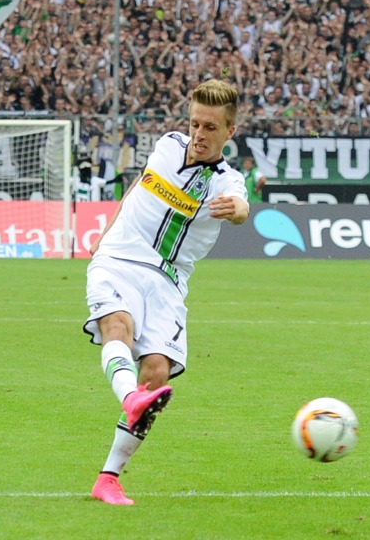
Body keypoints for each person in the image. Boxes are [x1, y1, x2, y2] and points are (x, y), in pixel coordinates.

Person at [84, 79, 250, 505]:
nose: (199, 134)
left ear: (230, 131)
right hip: (120, 256)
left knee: (156, 372)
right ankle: (130, 398)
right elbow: (140, 185)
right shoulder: (167, 145)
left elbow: (240, 208)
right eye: (195, 123)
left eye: (210, 127)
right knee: (116, 326)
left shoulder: (227, 182)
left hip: (169, 281)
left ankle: (108, 478)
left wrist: (238, 212)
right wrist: (106, 230)